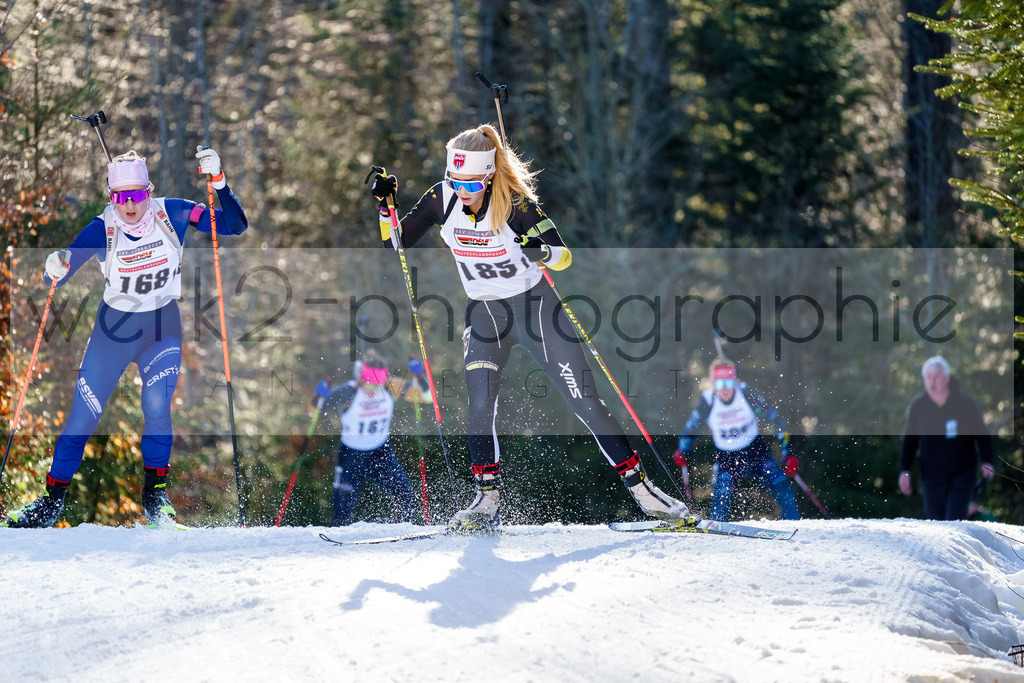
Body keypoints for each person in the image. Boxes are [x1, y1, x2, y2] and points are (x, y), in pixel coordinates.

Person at [367, 124, 690, 531]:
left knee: (583, 400)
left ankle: (645, 493)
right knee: (480, 405)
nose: (461, 190)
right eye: (455, 180)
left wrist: (541, 250)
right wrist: (386, 210)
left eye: (469, 183)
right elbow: (394, 247)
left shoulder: (515, 203)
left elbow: (564, 258)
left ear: (487, 176)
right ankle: (486, 501)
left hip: (536, 310)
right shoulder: (440, 198)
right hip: (486, 313)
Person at [3, 148, 248, 528]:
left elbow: (233, 226)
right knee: (82, 418)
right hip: (112, 333)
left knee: (157, 406)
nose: (129, 205)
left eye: (136, 195)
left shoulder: (175, 213)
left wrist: (219, 182)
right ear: (110, 197)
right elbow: (64, 268)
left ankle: (156, 502)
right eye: (120, 197)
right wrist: (55, 265)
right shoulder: (103, 228)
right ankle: (50, 504)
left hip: (160, 329)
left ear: (148, 192)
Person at [676, 360, 800, 521]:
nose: (725, 388)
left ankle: (794, 527)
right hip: (726, 458)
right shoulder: (708, 401)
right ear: (713, 383)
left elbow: (777, 421)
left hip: (755, 452)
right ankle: (715, 536)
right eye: (719, 383)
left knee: (784, 492)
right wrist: (683, 449)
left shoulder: (746, 395)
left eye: (728, 381)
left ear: (734, 380)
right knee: (721, 500)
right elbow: (689, 431)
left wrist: (787, 453)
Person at [321, 352, 417, 526]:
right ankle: (336, 543)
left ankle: (402, 530)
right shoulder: (348, 392)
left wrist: (419, 377)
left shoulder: (390, 386)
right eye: (370, 385)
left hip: (380, 452)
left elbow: (423, 396)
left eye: (378, 386)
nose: (373, 391)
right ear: (361, 379)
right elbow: (315, 410)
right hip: (351, 455)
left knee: (406, 494)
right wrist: (319, 397)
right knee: (342, 509)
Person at [899, 356, 994, 521]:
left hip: (962, 474)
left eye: (936, 377)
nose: (932, 382)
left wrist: (987, 461)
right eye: (928, 377)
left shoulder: (966, 404)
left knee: (953, 522)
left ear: (947, 379)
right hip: (931, 477)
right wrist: (904, 470)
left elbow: (982, 434)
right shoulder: (918, 406)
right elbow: (910, 441)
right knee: (936, 526)